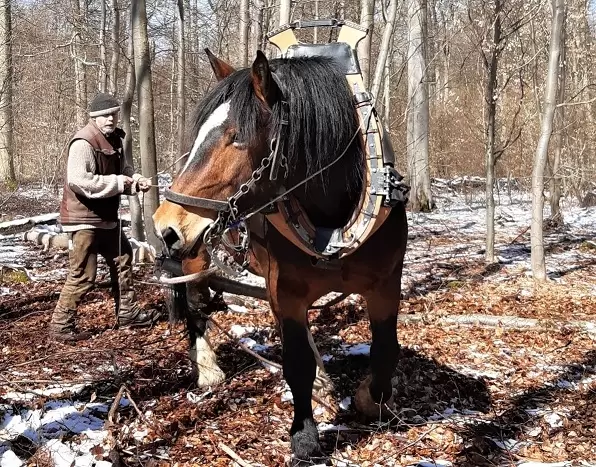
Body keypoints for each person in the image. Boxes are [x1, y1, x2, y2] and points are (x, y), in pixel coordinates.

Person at [50, 92, 162, 342]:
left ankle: (127, 313)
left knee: (123, 258)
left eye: (113, 114)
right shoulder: (83, 142)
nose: (111, 119)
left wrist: (134, 181)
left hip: (107, 218)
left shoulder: (115, 140)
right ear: (94, 118)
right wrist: (119, 183)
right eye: (105, 116)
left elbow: (123, 172)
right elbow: (79, 181)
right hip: (84, 220)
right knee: (83, 274)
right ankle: (60, 326)